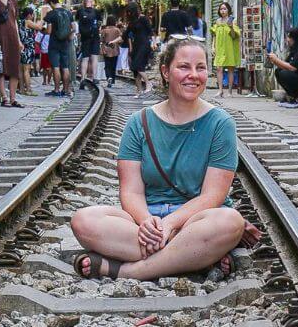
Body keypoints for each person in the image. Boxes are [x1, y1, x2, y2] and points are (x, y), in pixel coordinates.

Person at [70, 38, 261, 280]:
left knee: (229, 221)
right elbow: (131, 192)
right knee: (84, 220)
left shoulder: (220, 124)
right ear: (165, 71)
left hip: (196, 220)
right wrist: (148, 222)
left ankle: (128, 271)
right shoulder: (138, 123)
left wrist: (170, 223)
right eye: (184, 67)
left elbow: (213, 196)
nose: (193, 75)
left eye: (200, 68)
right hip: (146, 219)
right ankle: (190, 257)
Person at [43, 0, 74, 97]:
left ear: (51, 2)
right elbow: (73, 28)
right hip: (65, 42)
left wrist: (44, 30)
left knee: (55, 67)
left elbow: (49, 31)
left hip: (54, 43)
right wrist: (69, 37)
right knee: (65, 67)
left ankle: (56, 90)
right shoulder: (68, 13)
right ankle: (65, 90)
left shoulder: (51, 14)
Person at [123, 2, 154, 97]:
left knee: (138, 66)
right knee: (135, 71)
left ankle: (148, 84)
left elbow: (150, 32)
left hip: (144, 45)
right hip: (136, 46)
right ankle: (139, 91)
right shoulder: (131, 22)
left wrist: (153, 42)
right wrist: (113, 42)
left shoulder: (144, 19)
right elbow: (125, 35)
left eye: (130, 12)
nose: (129, 14)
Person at [211, 1, 241, 97]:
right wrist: (213, 47)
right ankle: (220, 90)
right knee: (219, 68)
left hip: (229, 47)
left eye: (224, 9)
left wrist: (231, 27)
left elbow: (233, 36)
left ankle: (230, 91)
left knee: (230, 69)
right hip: (219, 47)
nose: (223, 11)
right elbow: (214, 36)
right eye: (221, 9)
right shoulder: (217, 21)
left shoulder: (232, 20)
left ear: (228, 10)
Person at [77, 0, 102, 88]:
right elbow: (99, 23)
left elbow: (78, 21)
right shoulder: (96, 12)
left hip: (84, 38)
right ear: (92, 2)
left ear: (83, 2)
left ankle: (83, 79)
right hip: (95, 37)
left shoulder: (80, 11)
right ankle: (94, 77)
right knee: (94, 58)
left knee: (85, 58)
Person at [18, 7, 42, 96]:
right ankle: (28, 89)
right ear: (29, 15)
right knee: (26, 70)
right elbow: (39, 27)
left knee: (20, 69)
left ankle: (21, 89)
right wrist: (43, 18)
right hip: (28, 48)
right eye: (32, 15)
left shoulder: (20, 22)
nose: (33, 16)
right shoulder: (28, 21)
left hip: (20, 47)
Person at [101, 15, 122, 87]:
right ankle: (112, 80)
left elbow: (102, 40)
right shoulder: (117, 30)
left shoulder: (104, 30)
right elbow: (121, 40)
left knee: (107, 65)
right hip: (115, 50)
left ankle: (108, 77)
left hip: (106, 49)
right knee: (113, 66)